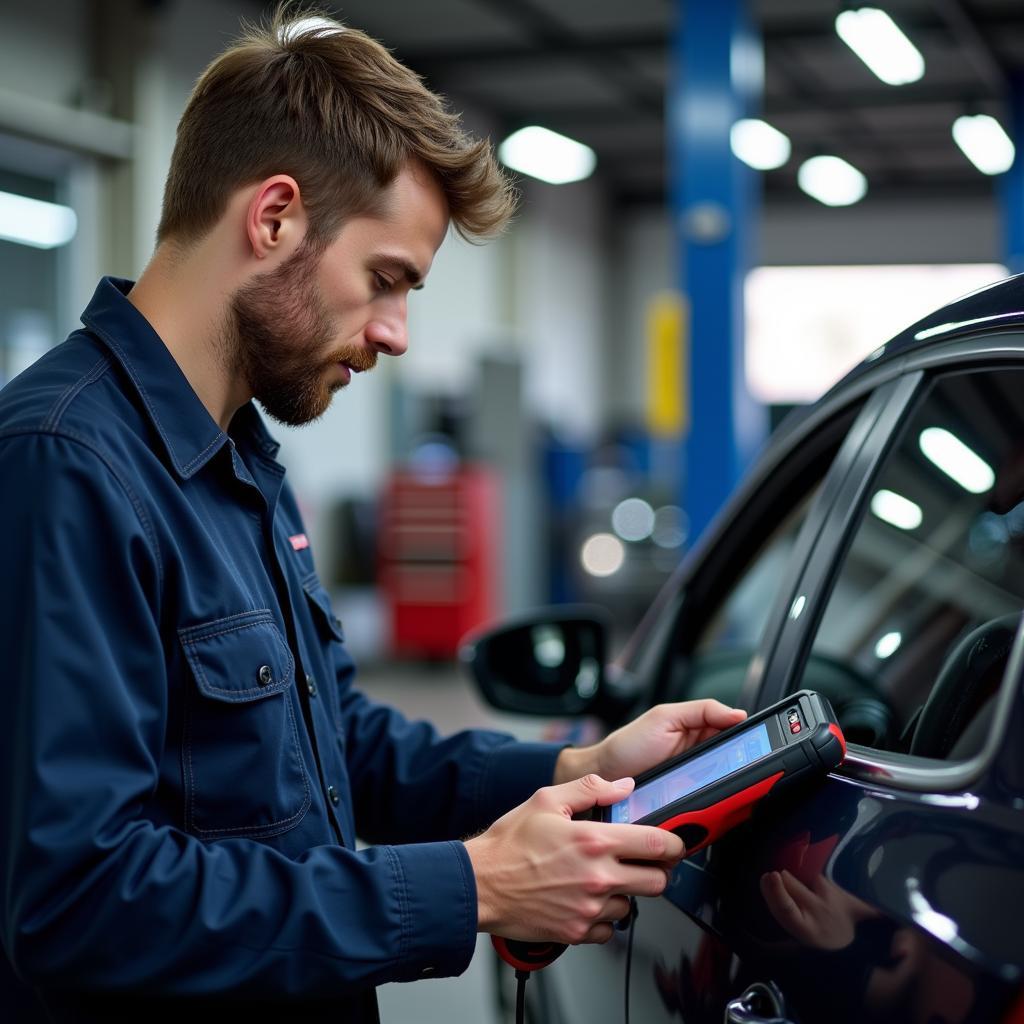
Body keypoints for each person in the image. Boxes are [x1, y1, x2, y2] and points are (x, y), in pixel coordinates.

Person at [0, 9, 746, 1020]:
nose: (396, 334)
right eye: (385, 280)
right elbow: (77, 899)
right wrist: (471, 884)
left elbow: (330, 743)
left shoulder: (240, 460)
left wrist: (572, 767)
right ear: (274, 218)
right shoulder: (64, 465)